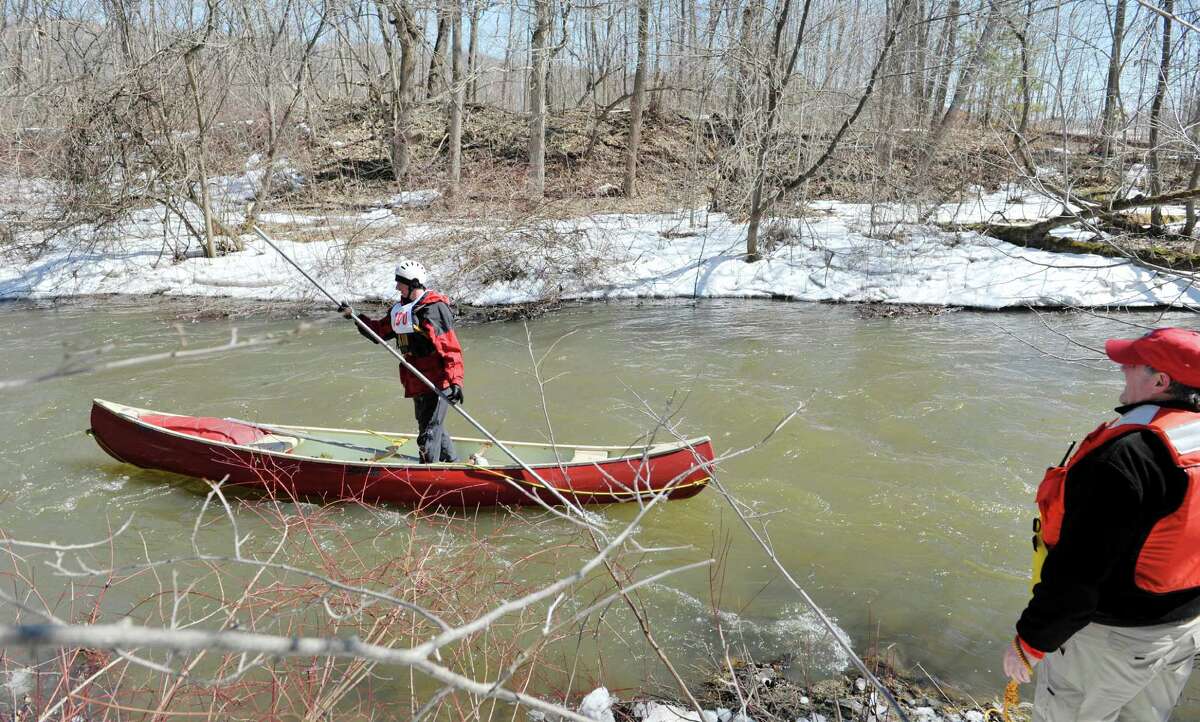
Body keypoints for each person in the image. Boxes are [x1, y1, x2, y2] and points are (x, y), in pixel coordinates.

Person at [1003, 326, 1200, 721]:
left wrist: (1030, 642)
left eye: (1133, 364)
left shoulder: (1129, 457)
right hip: (1183, 631)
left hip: (1109, 642)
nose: (1122, 369)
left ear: (1161, 381)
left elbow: (1079, 573)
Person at [340, 259, 464, 463]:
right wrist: (354, 317)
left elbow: (450, 347)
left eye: (400, 282)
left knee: (428, 435)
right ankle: (451, 463)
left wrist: (456, 381)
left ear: (414, 283)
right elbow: (378, 331)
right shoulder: (400, 310)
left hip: (439, 382)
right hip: (417, 380)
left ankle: (428, 478)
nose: (396, 286)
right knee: (430, 427)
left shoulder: (434, 309)